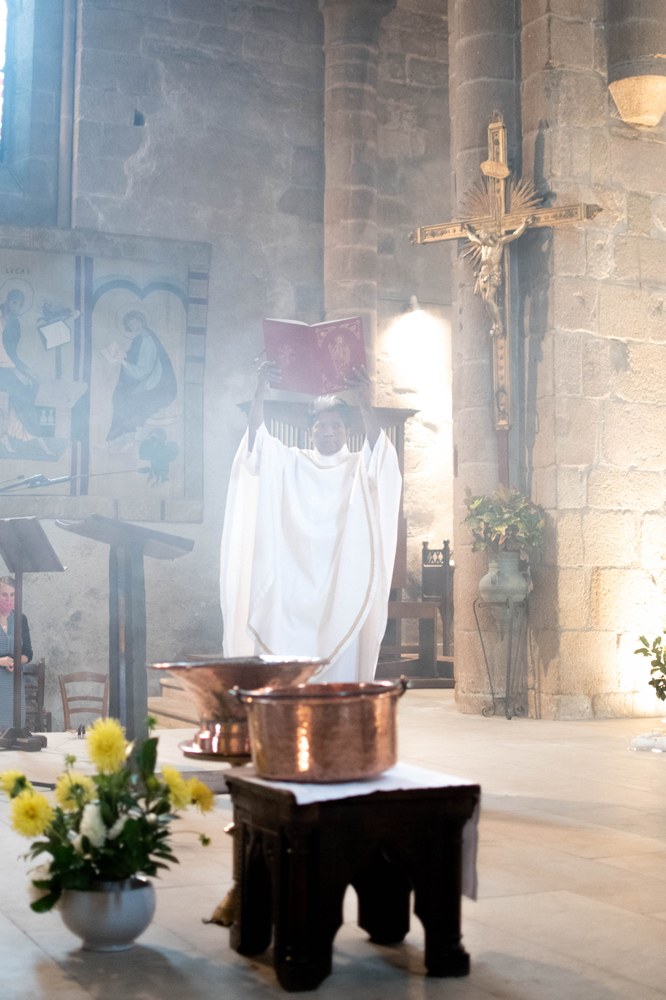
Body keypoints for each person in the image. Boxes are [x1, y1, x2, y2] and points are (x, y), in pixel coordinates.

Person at [219, 362, 402, 683]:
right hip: (293, 585)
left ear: (348, 431)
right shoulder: (291, 461)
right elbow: (256, 445)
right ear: (310, 431)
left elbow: (384, 462)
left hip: (342, 581)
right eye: (320, 425)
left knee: (340, 658)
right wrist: (260, 392)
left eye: (336, 426)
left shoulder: (359, 467)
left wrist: (365, 405)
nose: (328, 432)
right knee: (284, 650)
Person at [106, 310, 177, 445]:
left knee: (123, 397)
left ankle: (125, 435)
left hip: (156, 385)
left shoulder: (147, 340)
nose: (135, 326)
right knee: (120, 395)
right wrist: (123, 355)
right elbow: (136, 359)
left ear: (141, 320)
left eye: (135, 322)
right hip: (146, 380)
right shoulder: (139, 339)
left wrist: (123, 361)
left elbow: (142, 372)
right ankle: (123, 435)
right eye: (131, 325)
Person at [463, 217, 533, 337]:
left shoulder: (499, 243)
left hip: (493, 274)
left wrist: (524, 224)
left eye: (484, 235)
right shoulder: (483, 245)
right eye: (481, 236)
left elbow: (515, 235)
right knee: (486, 302)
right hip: (483, 275)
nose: (482, 237)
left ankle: (499, 323)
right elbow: (473, 238)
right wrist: (467, 230)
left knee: (489, 298)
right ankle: (494, 323)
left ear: (489, 235)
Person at [0, 575, 33, 730]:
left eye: (12, 595)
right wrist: (1, 661)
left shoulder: (21, 619)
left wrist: (16, 661)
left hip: (14, 683)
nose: (9, 599)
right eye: (4, 594)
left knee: (13, 729)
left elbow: (28, 653)